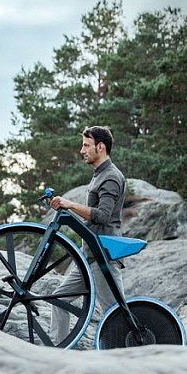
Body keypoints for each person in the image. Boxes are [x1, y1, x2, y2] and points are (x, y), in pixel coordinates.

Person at [49, 125, 126, 345]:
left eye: (86, 145)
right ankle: (58, 351)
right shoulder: (99, 175)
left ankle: (127, 359)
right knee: (58, 300)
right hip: (89, 257)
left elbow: (102, 216)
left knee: (114, 313)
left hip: (103, 256)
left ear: (100, 147)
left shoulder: (111, 176)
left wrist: (70, 204)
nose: (82, 150)